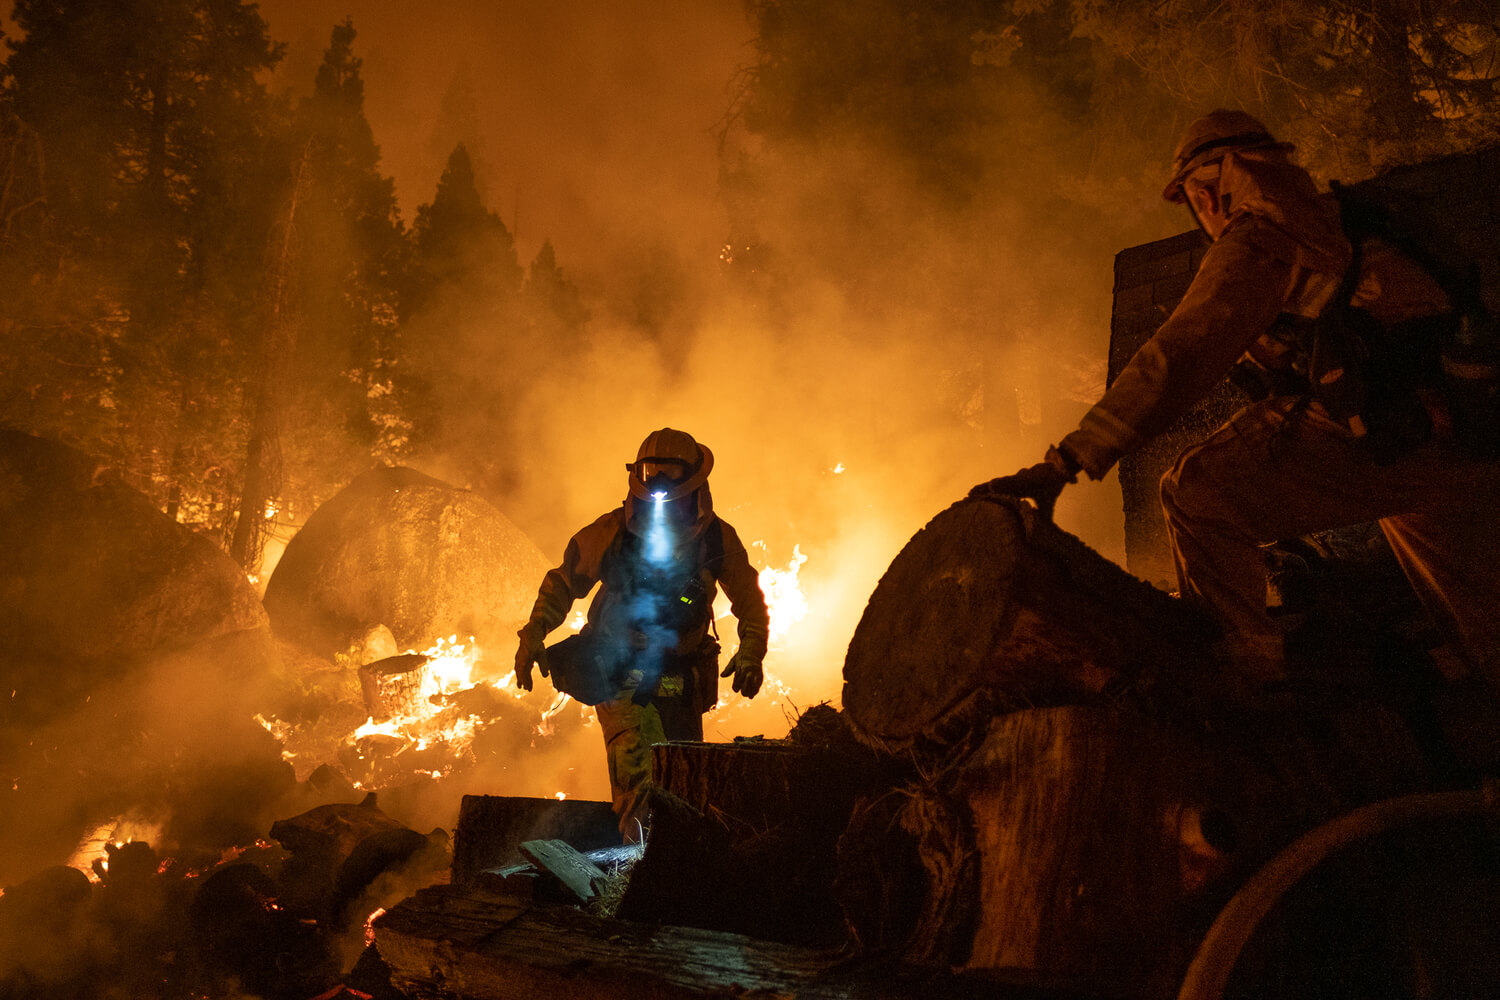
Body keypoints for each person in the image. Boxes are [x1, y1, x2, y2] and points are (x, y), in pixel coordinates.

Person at [975, 109, 1500, 708]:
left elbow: (1179, 355)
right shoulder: (1344, 220)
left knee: (1196, 491)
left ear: (1209, 187)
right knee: (1485, 626)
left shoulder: (1263, 236)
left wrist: (1068, 460)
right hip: (1465, 430)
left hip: (1389, 434)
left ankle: (1249, 680)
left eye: (1193, 199)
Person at [514, 427, 770, 837]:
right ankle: (640, 876)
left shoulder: (716, 537)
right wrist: (534, 632)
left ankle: (679, 872)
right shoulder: (612, 532)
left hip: (680, 676)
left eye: (672, 474)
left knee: (685, 783)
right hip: (620, 673)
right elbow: (563, 582)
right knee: (644, 789)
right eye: (654, 472)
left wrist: (752, 647)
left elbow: (748, 596)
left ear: (695, 481)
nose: (663, 485)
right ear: (639, 475)